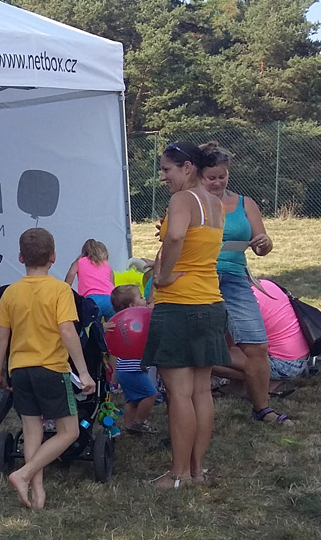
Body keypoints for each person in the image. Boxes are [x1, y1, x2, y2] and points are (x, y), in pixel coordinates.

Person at [142, 142, 229, 489]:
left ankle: (177, 475)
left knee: (179, 393)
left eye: (167, 169)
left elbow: (177, 236)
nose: (163, 176)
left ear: (187, 167)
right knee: (201, 391)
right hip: (211, 303)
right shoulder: (214, 202)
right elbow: (194, 244)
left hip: (179, 304)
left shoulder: (182, 199)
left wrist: (162, 276)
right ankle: (196, 471)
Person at [0, 227, 95, 510]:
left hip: (20, 371)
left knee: (32, 429)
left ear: (20, 257)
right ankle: (24, 474)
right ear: (53, 257)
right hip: (51, 369)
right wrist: (84, 372)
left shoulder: (11, 293)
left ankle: (37, 492)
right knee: (69, 432)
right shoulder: (60, 290)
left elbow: (0, 336)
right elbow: (67, 331)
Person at [199, 142, 289, 424]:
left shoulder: (244, 203)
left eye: (222, 176)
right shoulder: (192, 202)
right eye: (211, 177)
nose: (217, 182)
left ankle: (262, 408)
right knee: (199, 342)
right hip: (201, 278)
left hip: (236, 277)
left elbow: (263, 247)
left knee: (257, 344)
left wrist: (264, 243)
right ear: (199, 175)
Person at [214, 279, 310, 391]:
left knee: (206, 357)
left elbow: (227, 344)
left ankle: (260, 382)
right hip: (301, 356)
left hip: (283, 363)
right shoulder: (265, 284)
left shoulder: (241, 301)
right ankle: (253, 381)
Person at [109, 284, 157, 433]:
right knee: (151, 395)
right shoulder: (135, 321)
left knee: (132, 399)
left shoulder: (123, 323)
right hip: (133, 369)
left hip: (123, 370)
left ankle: (128, 426)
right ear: (132, 305)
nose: (144, 299)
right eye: (141, 297)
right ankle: (138, 422)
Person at [63, 238, 116, 318]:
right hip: (109, 299)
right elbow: (112, 284)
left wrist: (65, 289)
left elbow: (71, 274)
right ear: (104, 254)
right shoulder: (107, 265)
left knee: (91, 324)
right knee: (112, 323)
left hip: (92, 300)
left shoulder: (79, 261)